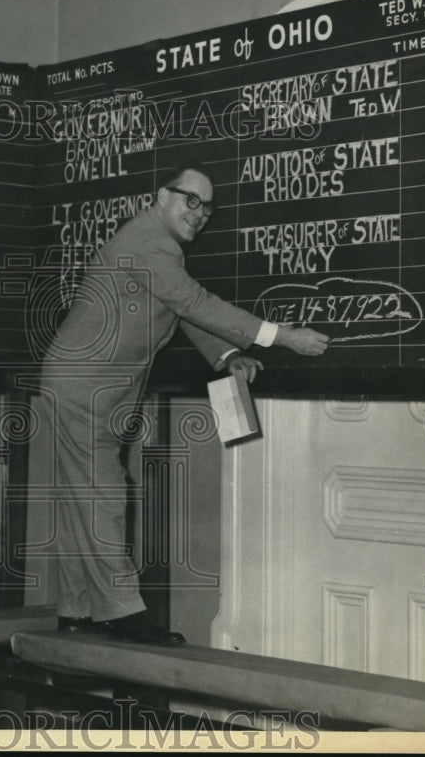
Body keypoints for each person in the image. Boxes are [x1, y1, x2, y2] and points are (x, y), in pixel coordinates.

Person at [39, 165, 329, 645]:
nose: (199, 214)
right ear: (162, 196)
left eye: (207, 207)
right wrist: (283, 338)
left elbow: (179, 308)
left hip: (85, 386)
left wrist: (228, 354)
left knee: (81, 497)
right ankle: (123, 613)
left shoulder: (156, 245)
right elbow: (195, 302)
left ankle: (79, 609)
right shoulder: (150, 241)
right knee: (102, 492)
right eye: (189, 200)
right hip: (84, 387)